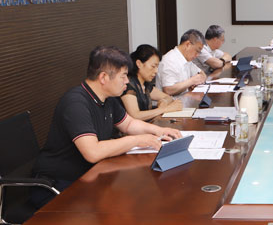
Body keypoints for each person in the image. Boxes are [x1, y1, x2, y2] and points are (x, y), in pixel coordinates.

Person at [32, 46, 182, 208]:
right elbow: (93, 152)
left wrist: (160, 131)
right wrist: (137, 140)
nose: (127, 81)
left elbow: (129, 124)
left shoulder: (107, 98)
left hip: (90, 175)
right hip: (59, 185)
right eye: (123, 76)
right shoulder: (76, 103)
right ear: (103, 77)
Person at [121, 44, 183, 121]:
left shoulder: (145, 84)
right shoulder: (128, 84)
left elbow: (167, 97)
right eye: (153, 66)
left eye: (157, 67)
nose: (156, 71)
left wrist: (164, 101)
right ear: (139, 64)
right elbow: (135, 115)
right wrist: (165, 109)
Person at [156, 29, 207, 96]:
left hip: (184, 99)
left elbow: (202, 74)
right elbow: (168, 90)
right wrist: (191, 81)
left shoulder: (187, 59)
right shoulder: (170, 60)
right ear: (188, 45)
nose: (197, 55)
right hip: (171, 102)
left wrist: (196, 82)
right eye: (197, 51)